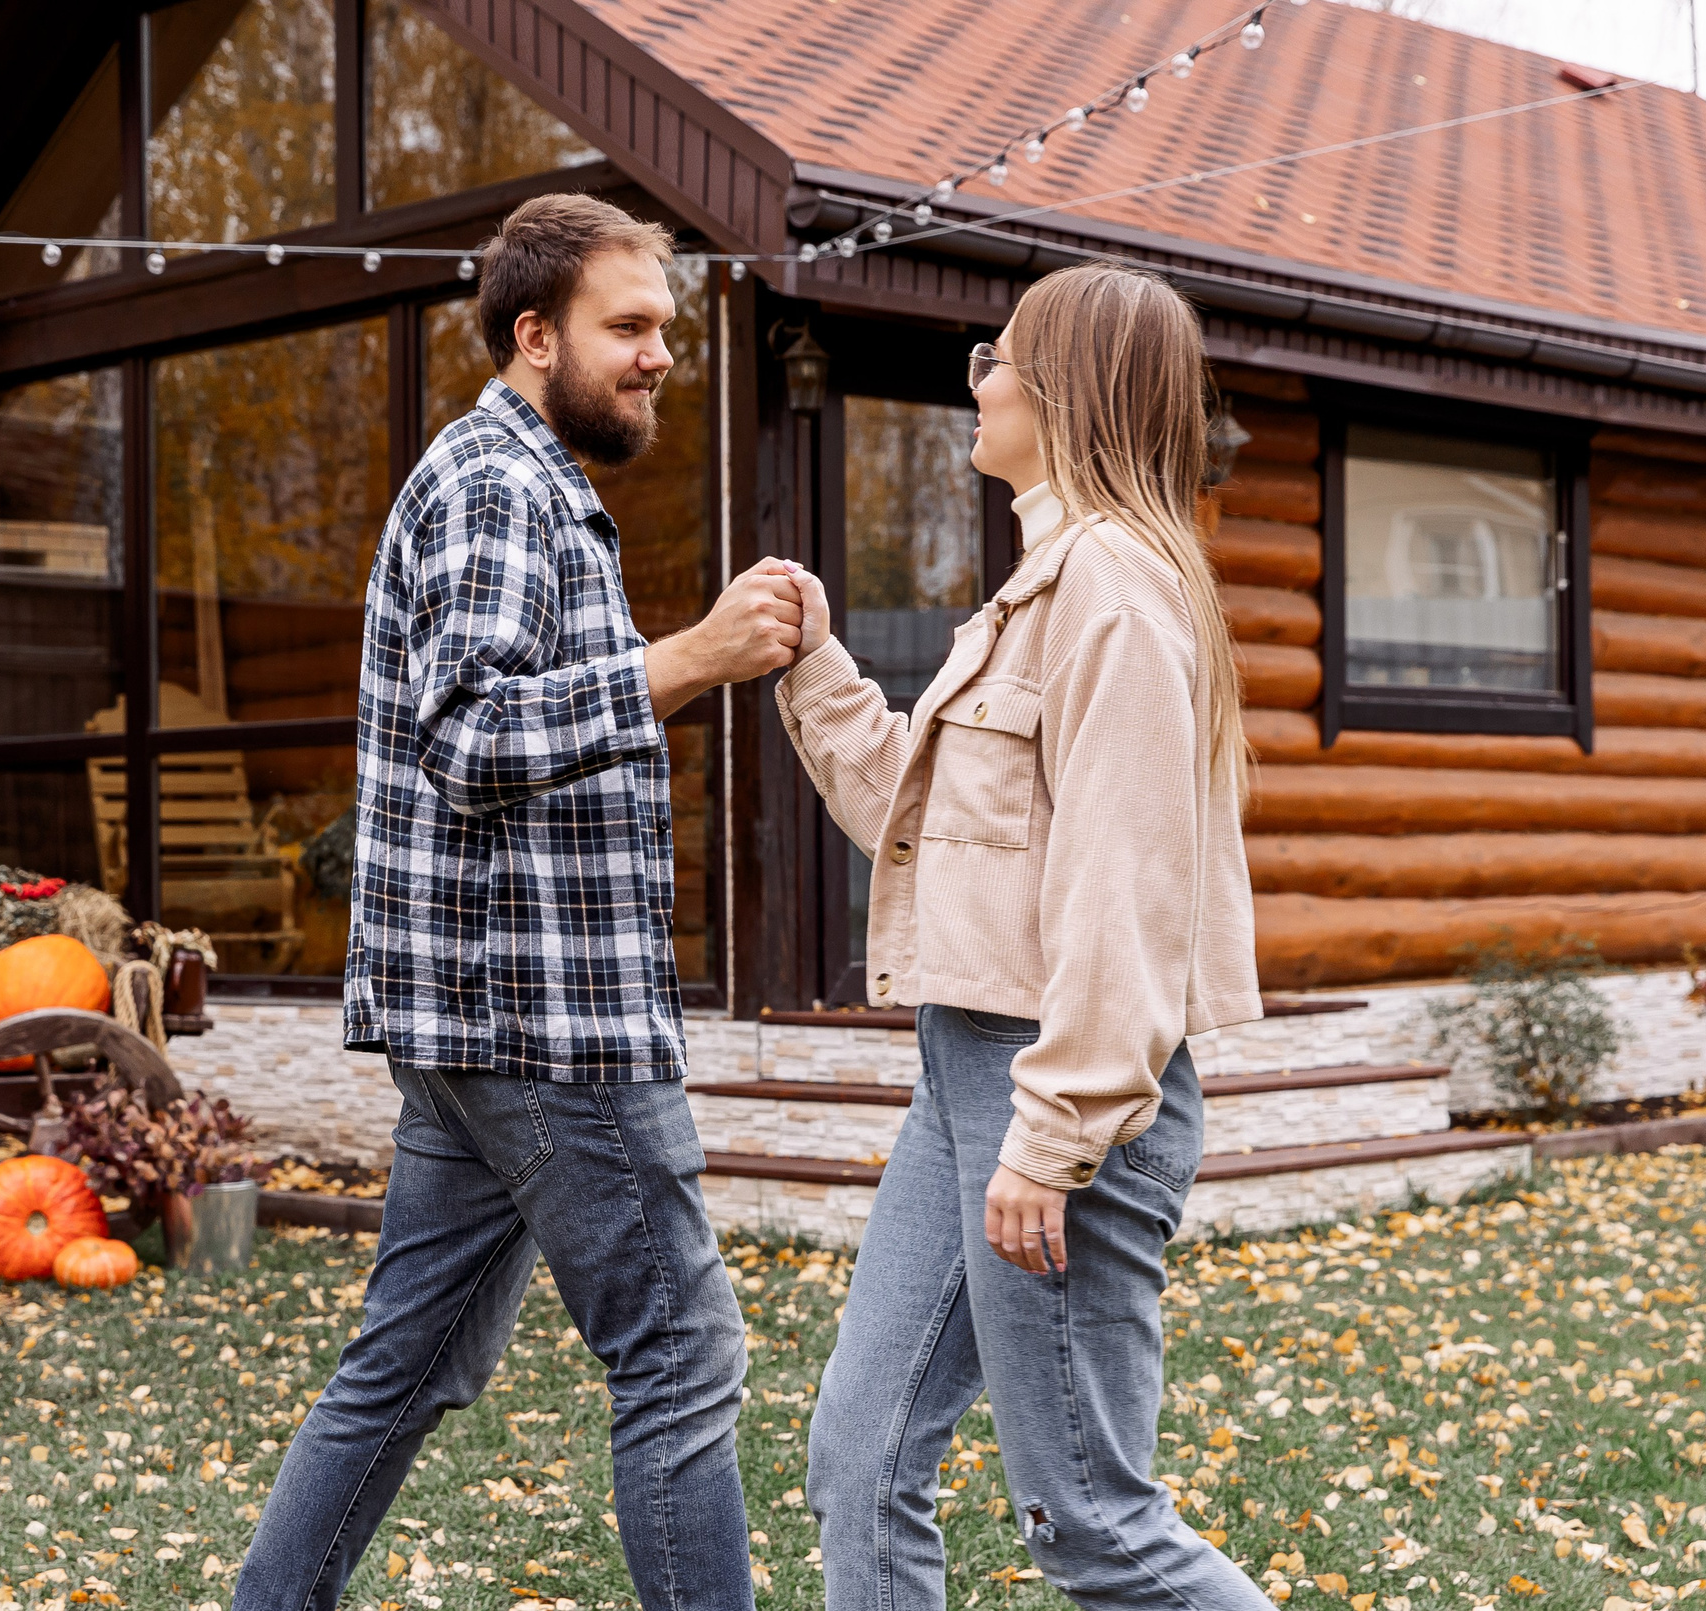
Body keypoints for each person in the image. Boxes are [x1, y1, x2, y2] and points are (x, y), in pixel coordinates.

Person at [233, 193, 799, 1611]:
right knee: (680, 1354)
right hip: (542, 1023)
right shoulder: (497, 487)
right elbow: (471, 736)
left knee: (406, 1363)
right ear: (535, 335)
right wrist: (693, 656)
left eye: (664, 326)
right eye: (630, 326)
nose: (660, 354)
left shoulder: (523, 481)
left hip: (479, 1017)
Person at [778, 261, 1273, 1611]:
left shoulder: (1113, 590)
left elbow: (1127, 896)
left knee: (1093, 1523)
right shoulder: (1046, 586)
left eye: (995, 359)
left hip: (1058, 1092)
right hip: (968, 1078)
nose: (979, 382)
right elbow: (925, 827)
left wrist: (1053, 1138)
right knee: (861, 1455)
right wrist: (816, 664)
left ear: (1062, 388)